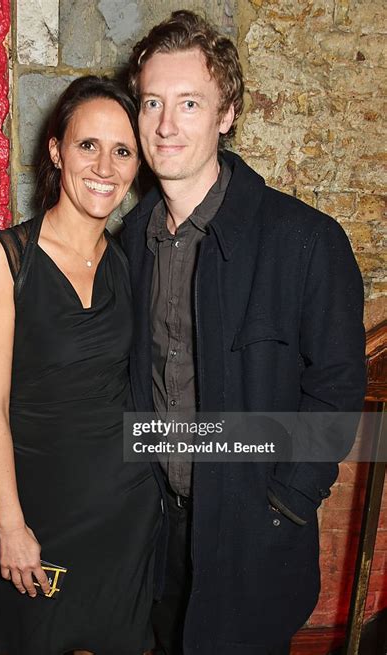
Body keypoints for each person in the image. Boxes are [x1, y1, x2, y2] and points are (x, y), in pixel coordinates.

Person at [121, 10, 366, 655]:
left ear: (227, 114)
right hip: (158, 537)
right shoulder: (127, 245)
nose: (166, 125)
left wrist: (284, 501)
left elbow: (339, 389)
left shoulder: (306, 241)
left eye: (190, 103)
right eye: (152, 103)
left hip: (255, 534)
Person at [0, 76, 162, 655]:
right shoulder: (5, 259)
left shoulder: (134, 262)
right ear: (56, 150)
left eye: (123, 150)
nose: (105, 166)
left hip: (127, 511)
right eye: (87, 145)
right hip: (41, 515)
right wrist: (10, 525)